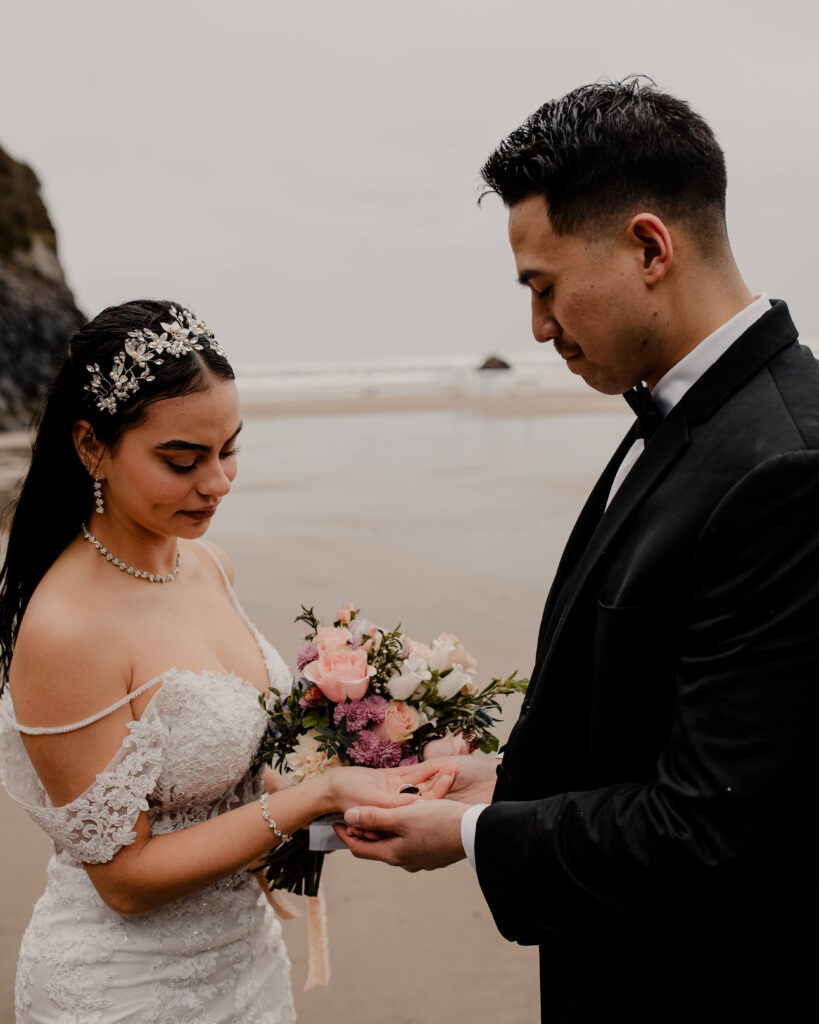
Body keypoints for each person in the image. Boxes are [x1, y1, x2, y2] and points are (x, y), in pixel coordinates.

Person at [336, 79, 819, 1021]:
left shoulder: (786, 467)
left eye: (544, 287)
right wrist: (510, 784)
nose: (537, 329)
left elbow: (708, 823)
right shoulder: (692, 408)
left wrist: (473, 834)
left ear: (649, 247)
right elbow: (661, 714)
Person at [0, 299, 448, 1023]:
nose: (217, 483)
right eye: (181, 460)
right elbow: (124, 880)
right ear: (91, 447)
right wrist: (318, 794)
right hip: (124, 990)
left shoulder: (210, 566)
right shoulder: (64, 630)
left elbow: (244, 800)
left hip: (247, 963)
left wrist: (373, 788)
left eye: (228, 449)